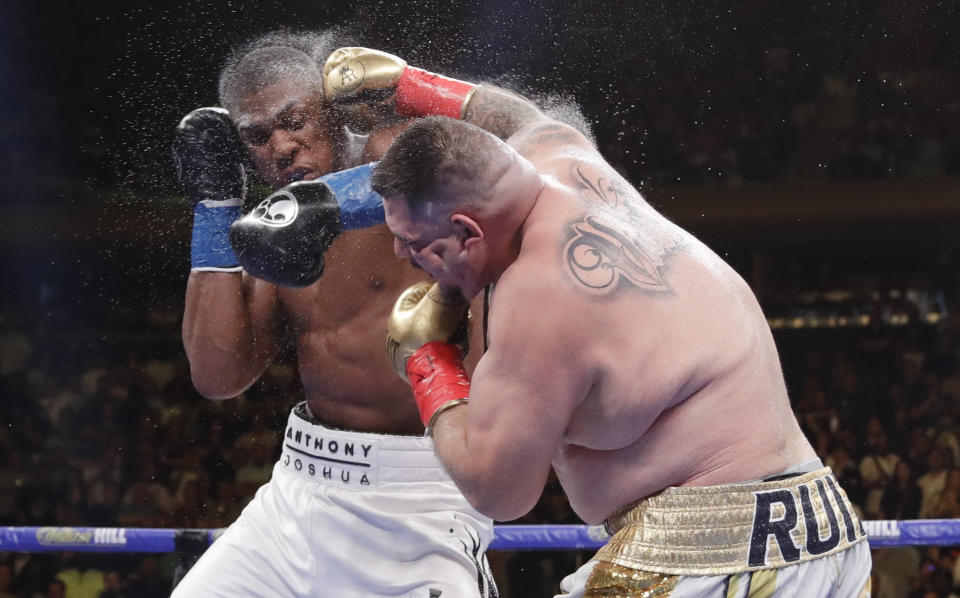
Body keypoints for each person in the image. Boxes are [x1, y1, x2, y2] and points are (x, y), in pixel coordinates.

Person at [317, 47, 873, 596]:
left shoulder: (537, 298)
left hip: (712, 556)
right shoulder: (564, 157)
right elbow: (519, 119)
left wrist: (426, 361)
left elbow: (499, 489)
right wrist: (411, 86)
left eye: (416, 243)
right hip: (827, 530)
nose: (400, 256)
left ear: (467, 232)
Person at [170, 32, 497, 597]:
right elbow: (217, 376)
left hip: (417, 493)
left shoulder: (397, 158)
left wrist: (332, 196)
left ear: (329, 108)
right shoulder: (277, 233)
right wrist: (215, 207)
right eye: (258, 136)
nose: (281, 145)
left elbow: (489, 151)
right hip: (299, 489)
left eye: (293, 120)